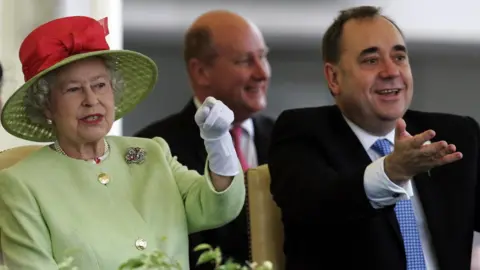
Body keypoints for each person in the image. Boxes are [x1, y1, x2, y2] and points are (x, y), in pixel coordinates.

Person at [0, 15, 245, 270]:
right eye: (73, 89)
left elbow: (215, 207)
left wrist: (218, 142)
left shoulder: (150, 152)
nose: (91, 99)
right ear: (47, 106)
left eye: (100, 85)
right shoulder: (21, 185)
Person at [268, 5, 480, 270]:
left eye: (399, 57)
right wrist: (391, 171)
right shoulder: (302, 132)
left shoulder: (454, 134)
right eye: (371, 60)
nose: (391, 71)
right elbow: (317, 207)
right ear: (334, 78)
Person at [134, 10, 274, 268]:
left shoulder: (288, 139)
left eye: (263, 56)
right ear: (201, 72)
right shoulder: (155, 148)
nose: (262, 72)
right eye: (245, 61)